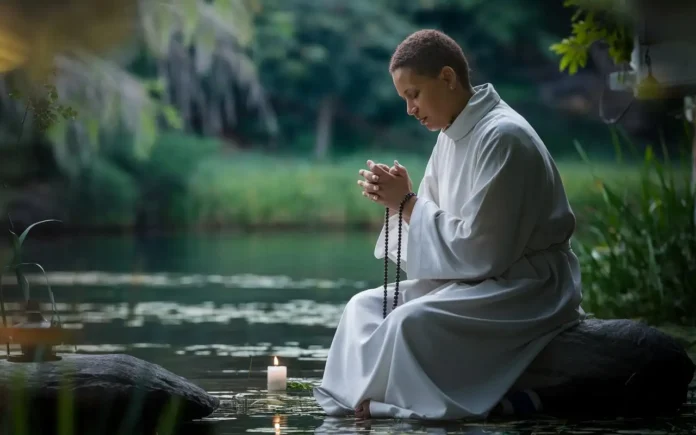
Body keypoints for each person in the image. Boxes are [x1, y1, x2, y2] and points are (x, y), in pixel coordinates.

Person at [312, 28, 585, 421]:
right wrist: (400, 200)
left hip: (527, 284)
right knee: (362, 307)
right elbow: (434, 224)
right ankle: (358, 400)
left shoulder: (503, 137)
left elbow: (482, 251)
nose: (410, 109)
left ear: (447, 78)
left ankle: (410, 407)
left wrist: (405, 202)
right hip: (474, 277)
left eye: (414, 94)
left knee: (408, 321)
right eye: (405, 98)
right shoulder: (450, 136)